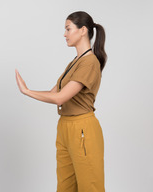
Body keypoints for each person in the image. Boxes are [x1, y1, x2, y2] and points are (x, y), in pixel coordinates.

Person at [15, 11, 107, 192]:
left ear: (82, 31)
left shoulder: (89, 62)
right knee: (65, 186)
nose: (64, 34)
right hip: (65, 126)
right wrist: (29, 90)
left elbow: (60, 97)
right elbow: (53, 92)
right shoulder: (75, 62)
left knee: (90, 186)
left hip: (82, 128)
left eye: (68, 29)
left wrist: (26, 91)